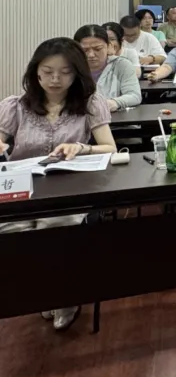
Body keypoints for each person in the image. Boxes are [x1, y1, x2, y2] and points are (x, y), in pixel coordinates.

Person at [0, 37, 118, 332]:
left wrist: (81, 148)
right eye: (47, 72)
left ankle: (65, 297)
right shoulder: (15, 106)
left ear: (77, 74)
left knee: (55, 228)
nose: (55, 79)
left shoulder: (90, 104)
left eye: (64, 72)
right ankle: (43, 291)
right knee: (13, 232)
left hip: (69, 188)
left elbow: (110, 148)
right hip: (22, 189)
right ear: (35, 72)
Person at [75, 25, 141, 111]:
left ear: (109, 46)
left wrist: (114, 103)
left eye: (97, 49)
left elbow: (134, 96)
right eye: (85, 50)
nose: (91, 55)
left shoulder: (122, 65)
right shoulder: (71, 68)